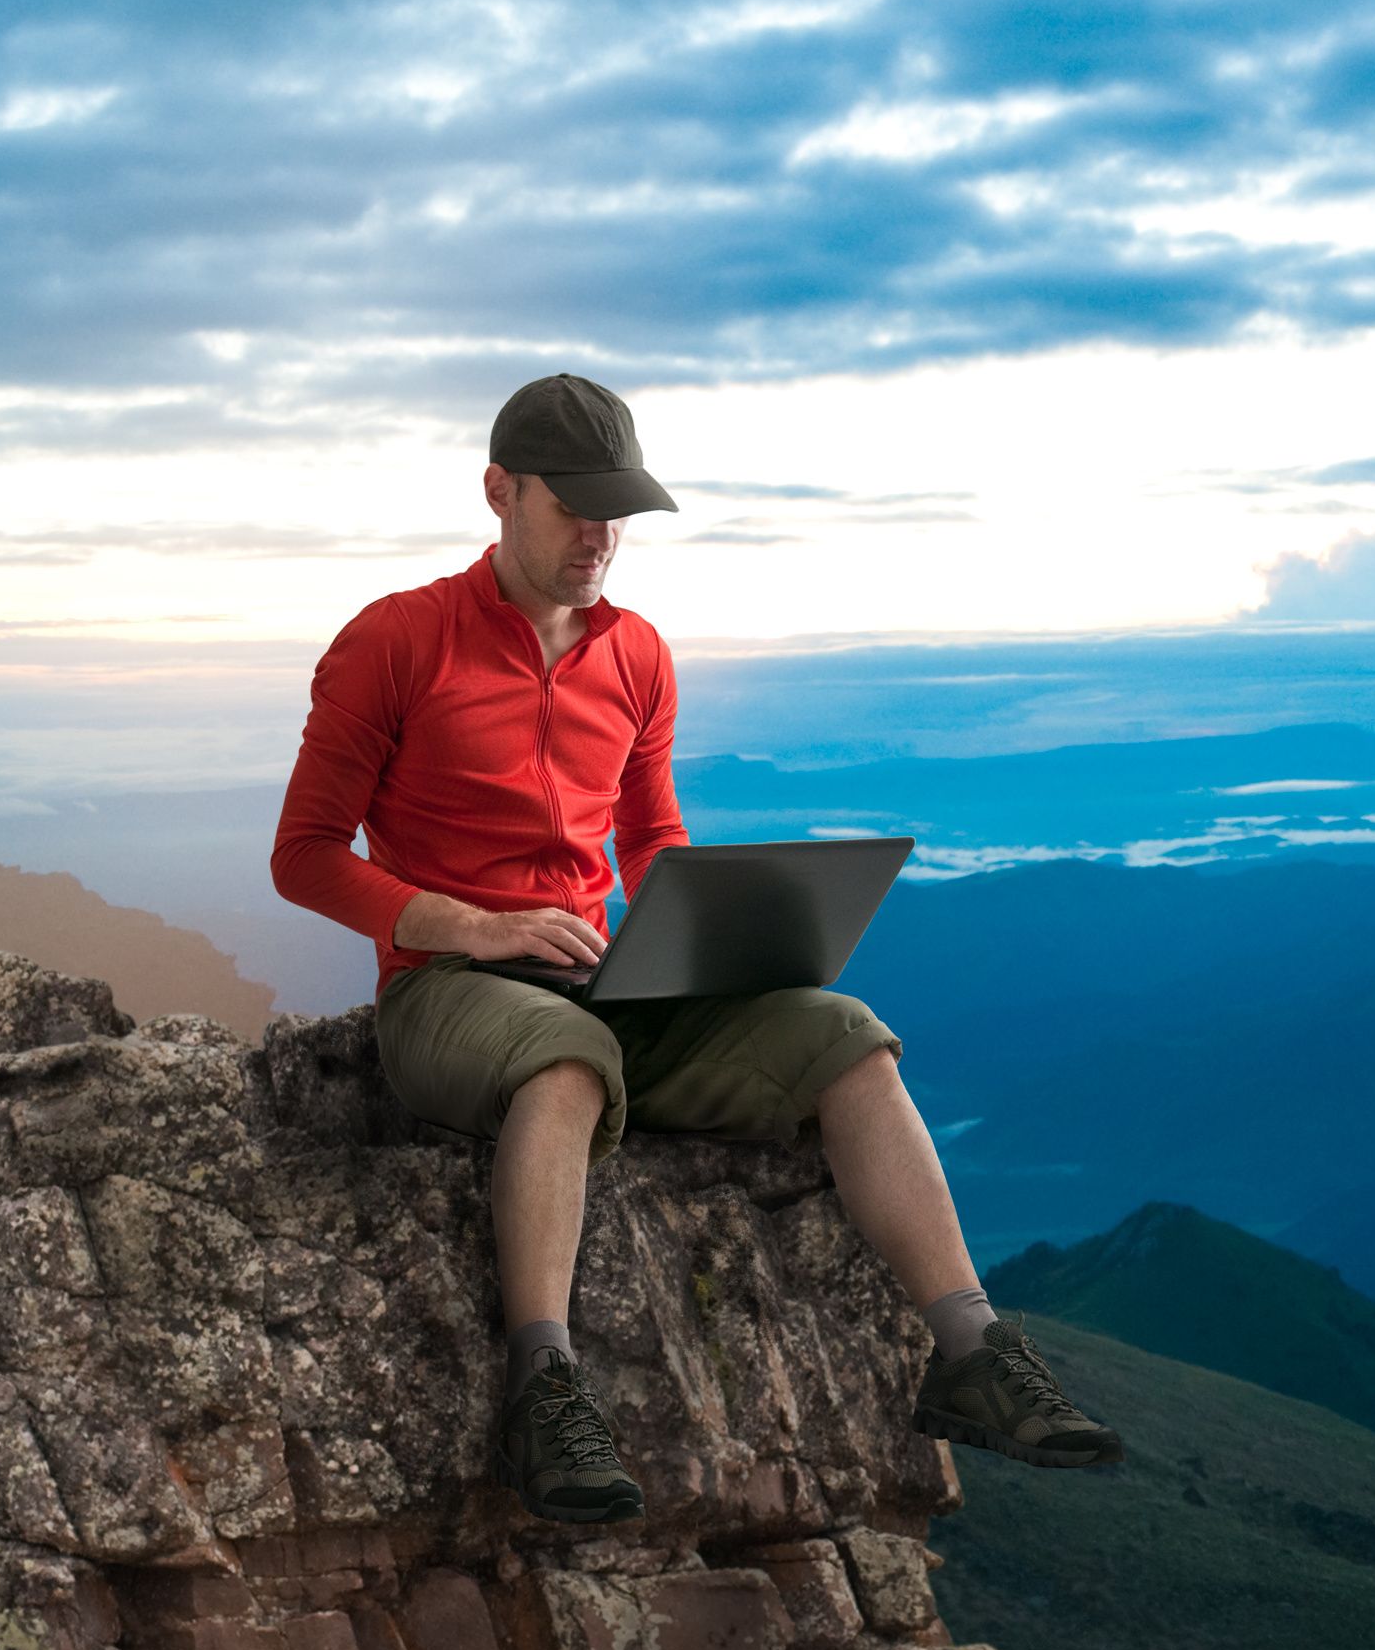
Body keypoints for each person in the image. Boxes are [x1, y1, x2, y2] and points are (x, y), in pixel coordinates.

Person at [269, 373, 1123, 1522]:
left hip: (607, 984)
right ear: (497, 492)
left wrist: (715, 933)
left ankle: (969, 1348)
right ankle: (544, 1387)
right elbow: (306, 856)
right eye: (571, 505)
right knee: (565, 1062)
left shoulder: (638, 655)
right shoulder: (394, 641)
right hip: (450, 991)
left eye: (615, 509)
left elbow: (650, 835)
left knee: (847, 1035)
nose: (598, 535)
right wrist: (468, 924)